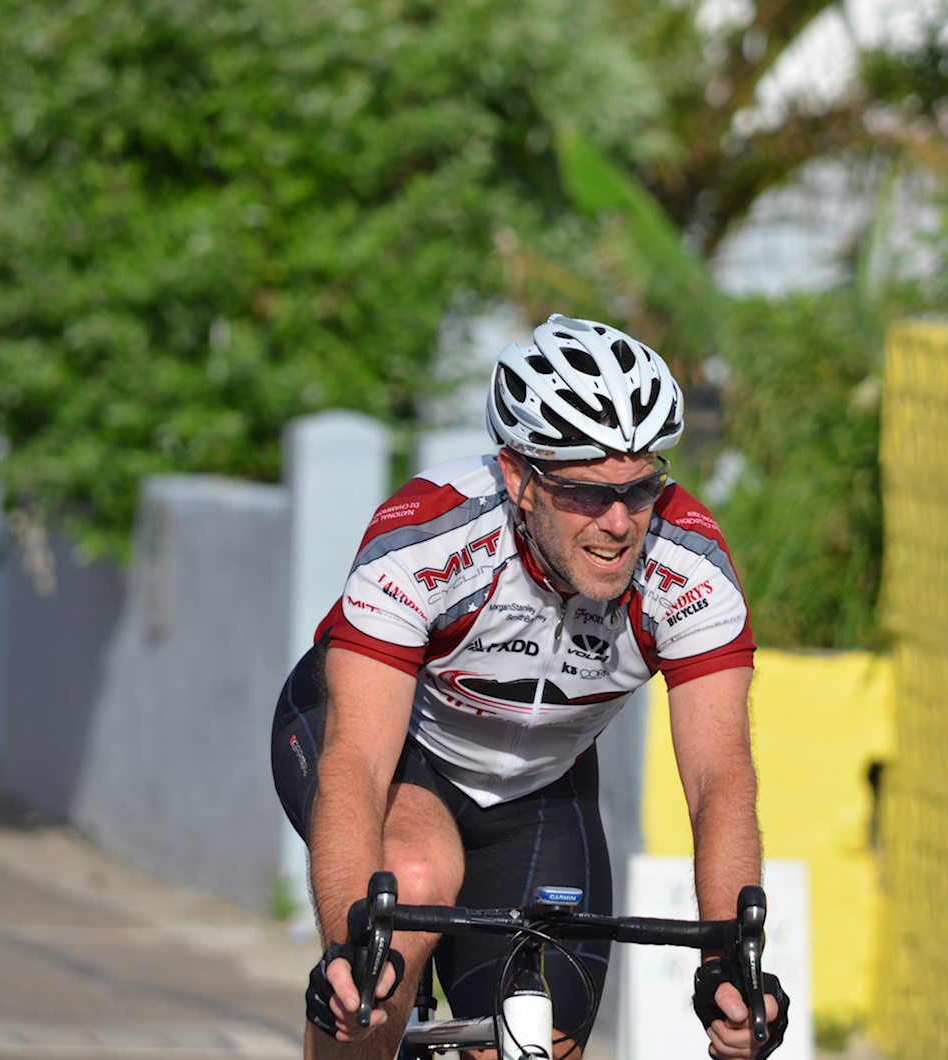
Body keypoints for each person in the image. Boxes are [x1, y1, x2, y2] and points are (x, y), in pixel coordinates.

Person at [272, 314, 787, 1060]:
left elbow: (720, 779)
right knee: (409, 887)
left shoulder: (689, 569)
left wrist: (729, 967)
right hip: (392, 749)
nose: (618, 523)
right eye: (584, 493)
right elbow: (354, 762)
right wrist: (350, 943)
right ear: (519, 478)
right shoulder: (431, 538)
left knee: (538, 1040)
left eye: (641, 489)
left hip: (538, 786)